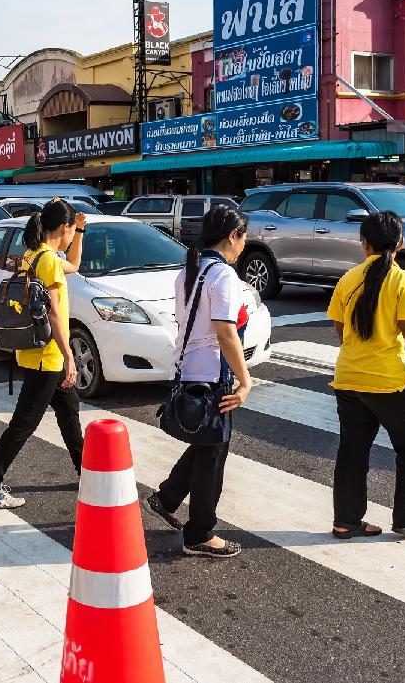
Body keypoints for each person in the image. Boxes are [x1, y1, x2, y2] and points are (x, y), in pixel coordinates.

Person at [326, 211, 405, 540]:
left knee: (352, 451)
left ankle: (346, 521)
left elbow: (341, 330)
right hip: (390, 382)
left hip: (348, 378)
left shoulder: (348, 280)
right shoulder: (403, 280)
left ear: (364, 244)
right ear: (401, 243)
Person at [145, 206, 251, 558]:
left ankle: (167, 498)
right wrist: (245, 379)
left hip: (188, 369)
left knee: (207, 444)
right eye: (244, 236)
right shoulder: (222, 276)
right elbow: (225, 331)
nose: (244, 244)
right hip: (211, 377)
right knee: (213, 455)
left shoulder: (189, 271)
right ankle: (200, 533)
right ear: (232, 236)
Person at [0, 198, 86, 509]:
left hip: (35, 351)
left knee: (69, 412)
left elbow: (74, 266)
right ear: (63, 228)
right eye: (71, 230)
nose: (71, 235)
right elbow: (52, 313)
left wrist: (81, 232)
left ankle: (88, 474)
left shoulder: (32, 255)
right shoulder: (47, 260)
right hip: (48, 355)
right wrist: (69, 356)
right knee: (24, 423)